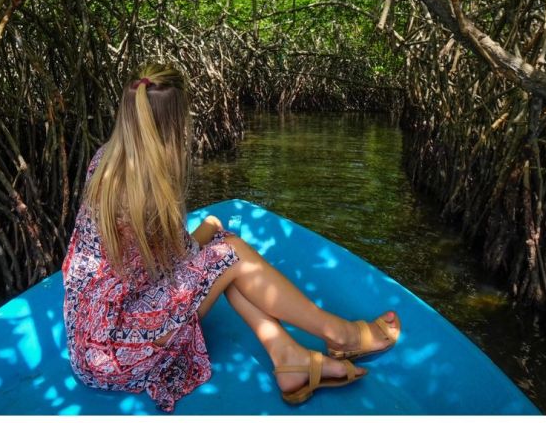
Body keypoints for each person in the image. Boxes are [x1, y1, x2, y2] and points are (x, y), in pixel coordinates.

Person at [62, 63, 401, 412]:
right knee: (232, 251)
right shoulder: (147, 189)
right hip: (123, 354)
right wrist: (209, 227)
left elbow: (159, 264)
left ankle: (289, 357)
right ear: (176, 122)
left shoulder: (105, 161)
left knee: (222, 254)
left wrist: (208, 235)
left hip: (92, 346)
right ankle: (340, 335)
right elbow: (183, 256)